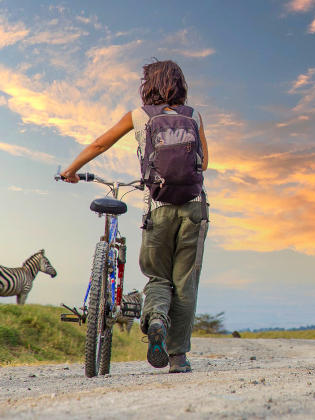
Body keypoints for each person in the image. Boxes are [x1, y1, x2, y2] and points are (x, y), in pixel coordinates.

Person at [60, 59, 209, 374]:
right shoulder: (194, 116)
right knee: (185, 283)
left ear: (148, 85)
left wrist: (72, 169)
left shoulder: (138, 116)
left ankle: (155, 318)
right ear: (181, 86)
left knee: (158, 276)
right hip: (194, 207)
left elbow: (102, 143)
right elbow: (204, 163)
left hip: (157, 207)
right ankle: (178, 358)